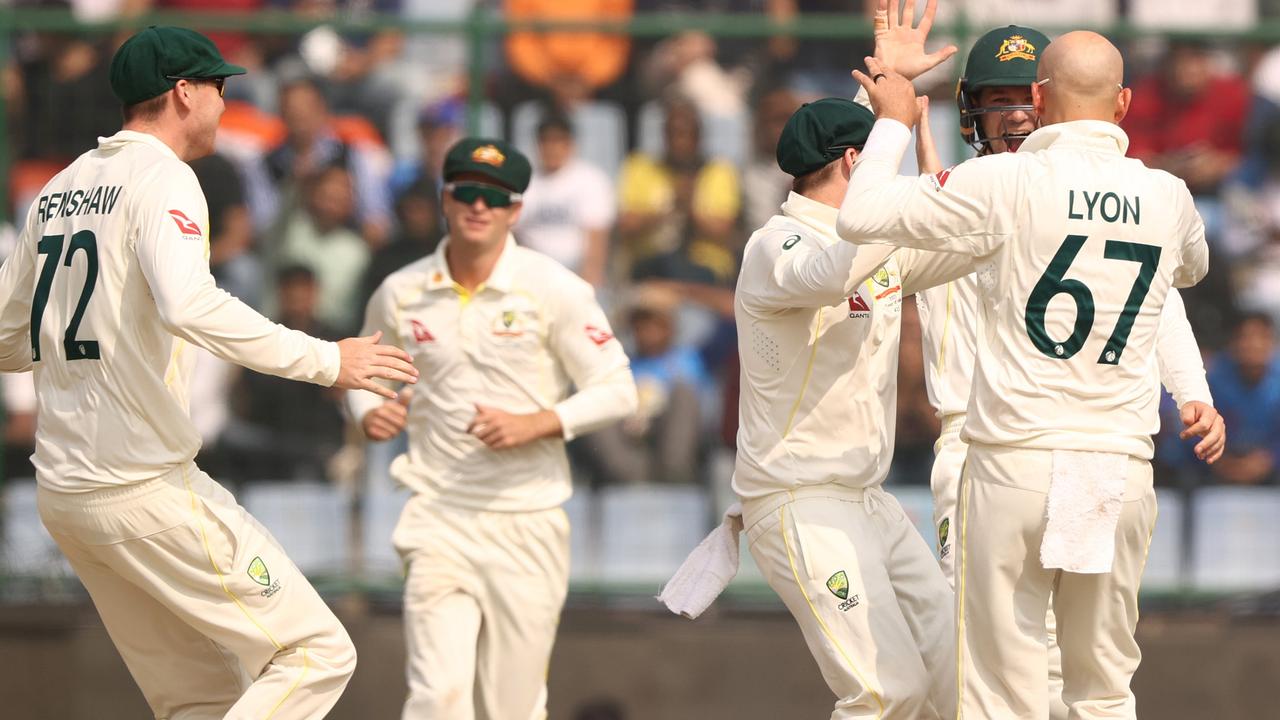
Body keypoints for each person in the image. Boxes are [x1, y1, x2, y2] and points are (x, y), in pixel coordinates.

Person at [0, 26, 419, 719]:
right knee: (316, 653)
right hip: (142, 485)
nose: (226, 104)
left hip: (69, 495)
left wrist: (83, 326)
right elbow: (190, 305)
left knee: (199, 700)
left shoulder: (58, 188)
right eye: (219, 87)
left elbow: (8, 342)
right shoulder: (166, 177)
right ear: (183, 92)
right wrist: (327, 359)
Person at [839, 31, 1223, 719]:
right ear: (1124, 102)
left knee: (1002, 687)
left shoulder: (1000, 187)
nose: (1015, 116)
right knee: (1096, 688)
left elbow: (861, 208)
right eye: (997, 102)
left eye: (1025, 99)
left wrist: (889, 110)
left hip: (1008, 455)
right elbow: (1179, 273)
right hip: (1108, 460)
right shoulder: (1160, 193)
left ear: (1044, 102)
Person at [348, 137, 637, 719]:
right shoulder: (401, 291)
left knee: (514, 707)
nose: (479, 207)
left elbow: (618, 390)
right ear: (445, 199)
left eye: (494, 198)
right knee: (437, 698)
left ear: (515, 211)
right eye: (466, 194)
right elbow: (361, 374)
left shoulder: (555, 287)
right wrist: (367, 412)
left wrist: (540, 422)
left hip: (527, 520)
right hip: (437, 514)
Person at [734, 78, 985, 716]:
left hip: (870, 502)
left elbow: (968, 245)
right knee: (885, 692)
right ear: (854, 161)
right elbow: (832, 272)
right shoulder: (776, 246)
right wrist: (893, 126)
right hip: (801, 500)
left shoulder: (870, 250)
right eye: (875, 157)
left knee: (959, 683)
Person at [515, 113, 616, 286]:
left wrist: (588, 282)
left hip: (577, 272)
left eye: (559, 141)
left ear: (571, 144)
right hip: (532, 271)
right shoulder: (524, 181)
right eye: (546, 141)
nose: (552, 148)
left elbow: (597, 238)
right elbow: (512, 232)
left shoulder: (591, 179)